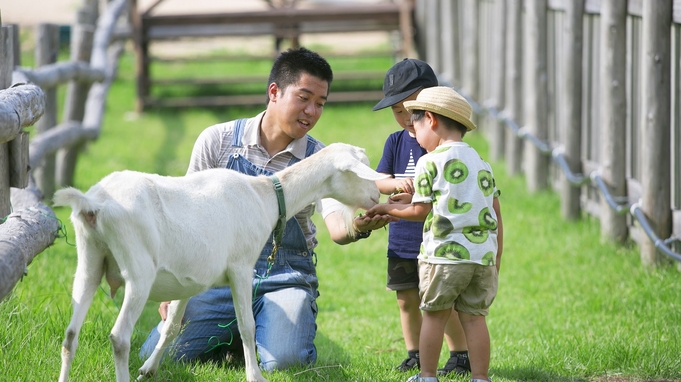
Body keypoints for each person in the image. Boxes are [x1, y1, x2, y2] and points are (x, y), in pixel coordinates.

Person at [139, 47, 393, 372]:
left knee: (285, 361)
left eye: (320, 103)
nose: (312, 111)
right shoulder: (218, 141)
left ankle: (268, 329)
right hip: (216, 278)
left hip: (283, 277)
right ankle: (235, 336)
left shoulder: (322, 158)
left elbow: (337, 228)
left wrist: (361, 226)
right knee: (168, 353)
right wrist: (177, 290)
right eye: (304, 98)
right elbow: (185, 219)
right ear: (274, 92)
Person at [366, 86, 503, 382]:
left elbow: (420, 211)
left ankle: (427, 375)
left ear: (430, 119)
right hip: (482, 259)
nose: (413, 133)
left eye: (415, 125)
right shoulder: (482, 163)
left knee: (434, 315)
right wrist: (496, 259)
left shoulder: (430, 161)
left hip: (444, 258)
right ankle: (481, 378)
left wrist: (387, 210)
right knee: (474, 319)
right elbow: (491, 209)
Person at [372, 59, 471, 376]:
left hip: (439, 237)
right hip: (403, 237)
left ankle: (460, 354)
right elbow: (379, 181)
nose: (404, 119)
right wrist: (396, 184)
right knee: (406, 298)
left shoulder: (446, 146)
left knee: (443, 301)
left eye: (409, 110)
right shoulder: (395, 142)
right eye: (397, 111)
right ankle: (414, 353)